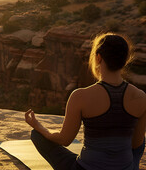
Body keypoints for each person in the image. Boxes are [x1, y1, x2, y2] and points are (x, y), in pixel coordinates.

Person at [25, 33, 146, 170]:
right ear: (125, 60)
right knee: (141, 140)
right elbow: (136, 144)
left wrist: (39, 126)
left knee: (37, 135)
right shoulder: (141, 97)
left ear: (98, 57)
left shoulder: (80, 96)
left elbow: (64, 140)